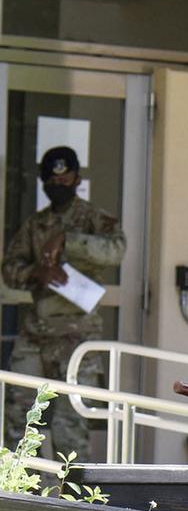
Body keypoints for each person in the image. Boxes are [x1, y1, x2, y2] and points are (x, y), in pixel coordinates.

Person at [1, 146, 126, 455]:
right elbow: (9, 270)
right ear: (43, 182)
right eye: (52, 180)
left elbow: (116, 250)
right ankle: (19, 496)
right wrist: (36, 272)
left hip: (77, 336)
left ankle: (74, 499)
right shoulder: (34, 225)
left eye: (65, 178)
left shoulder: (95, 218)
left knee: (70, 426)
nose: (58, 185)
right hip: (36, 334)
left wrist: (70, 241)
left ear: (77, 179)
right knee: (20, 420)